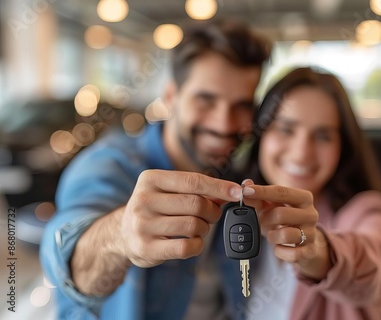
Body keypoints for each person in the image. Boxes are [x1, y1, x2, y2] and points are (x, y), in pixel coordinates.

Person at [40, 19, 271, 319]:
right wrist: (120, 236)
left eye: (241, 105)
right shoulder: (110, 164)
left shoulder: (242, 182)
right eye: (206, 100)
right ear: (171, 96)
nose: (224, 123)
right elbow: (71, 260)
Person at [238, 67, 381, 320]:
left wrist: (318, 250)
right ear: (261, 134)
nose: (302, 152)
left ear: (343, 146)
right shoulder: (238, 215)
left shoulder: (366, 211)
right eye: (285, 129)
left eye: (323, 136)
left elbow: (373, 269)